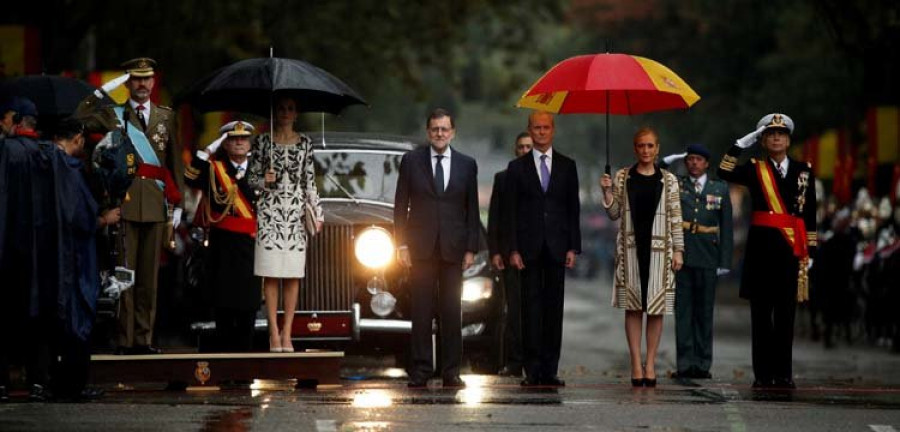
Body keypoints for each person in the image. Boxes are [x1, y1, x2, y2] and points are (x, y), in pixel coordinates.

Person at [78, 58, 184, 355]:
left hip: (154, 205)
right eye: (136, 79)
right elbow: (81, 116)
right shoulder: (113, 115)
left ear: (153, 82)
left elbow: (175, 163)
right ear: (128, 83)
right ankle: (124, 339)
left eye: (147, 78)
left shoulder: (166, 117)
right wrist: (104, 90)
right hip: (123, 204)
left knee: (149, 280)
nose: (142, 84)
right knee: (124, 275)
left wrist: (178, 207)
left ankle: (144, 338)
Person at [717, 113, 817, 389]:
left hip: (790, 249)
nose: (776, 138)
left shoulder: (803, 170)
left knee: (786, 316)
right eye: (770, 135)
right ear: (762, 140)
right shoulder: (754, 167)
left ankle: (783, 374)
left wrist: (810, 251)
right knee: (761, 316)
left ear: (788, 140)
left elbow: (810, 212)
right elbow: (723, 172)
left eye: (781, 135)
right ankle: (762, 375)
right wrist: (739, 145)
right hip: (761, 250)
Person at [394, 108, 479, 388]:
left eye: (444, 129)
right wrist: (401, 243)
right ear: (428, 132)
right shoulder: (411, 161)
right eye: (435, 129)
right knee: (420, 310)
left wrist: (471, 249)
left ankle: (451, 371)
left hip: (454, 248)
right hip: (420, 247)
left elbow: (472, 210)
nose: (440, 134)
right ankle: (420, 370)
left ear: (453, 132)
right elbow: (400, 204)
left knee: (452, 310)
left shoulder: (467, 165)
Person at [601, 127, 684, 388]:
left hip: (661, 250)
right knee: (634, 307)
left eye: (650, 146)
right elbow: (614, 214)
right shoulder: (623, 176)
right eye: (641, 146)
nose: (645, 151)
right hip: (631, 250)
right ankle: (636, 364)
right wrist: (606, 192)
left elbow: (675, 216)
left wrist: (679, 250)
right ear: (635, 148)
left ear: (657, 149)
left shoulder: (669, 180)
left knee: (656, 310)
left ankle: (651, 364)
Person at [504, 111, 581, 387]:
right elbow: (510, 212)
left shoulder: (568, 166)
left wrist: (574, 246)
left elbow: (573, 208)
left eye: (546, 127)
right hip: (528, 248)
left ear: (553, 130)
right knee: (531, 309)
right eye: (536, 128)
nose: (541, 132)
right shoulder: (517, 168)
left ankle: (550, 369)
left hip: (558, 246)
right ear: (529, 129)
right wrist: (513, 249)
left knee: (553, 309)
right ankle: (532, 369)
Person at [51, 117, 121, 400]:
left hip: (51, 253)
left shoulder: (42, 161)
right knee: (77, 317)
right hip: (75, 255)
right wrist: (103, 219)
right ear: (78, 138)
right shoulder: (68, 168)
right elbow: (78, 218)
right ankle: (72, 387)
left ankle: (54, 383)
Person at [248, 96, 324, 353]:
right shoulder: (261, 142)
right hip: (269, 212)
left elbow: (310, 181)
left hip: (295, 215)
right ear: (274, 112)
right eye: (281, 108)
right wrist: (264, 181)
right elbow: (250, 179)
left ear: (296, 114)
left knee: (293, 275)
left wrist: (318, 212)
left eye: (290, 108)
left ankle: (287, 333)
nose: (285, 112)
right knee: (270, 273)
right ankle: (272, 332)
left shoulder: (305, 144)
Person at [0, 98, 61, 401]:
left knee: (6, 313)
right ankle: (39, 381)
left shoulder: (6, 151)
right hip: (45, 251)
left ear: (18, 122)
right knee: (40, 316)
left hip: (11, 246)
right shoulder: (50, 154)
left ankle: (2, 383)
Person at [185, 121, 261, 352]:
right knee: (224, 309)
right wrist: (207, 151)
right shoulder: (213, 168)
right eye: (232, 138)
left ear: (250, 143)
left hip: (251, 246)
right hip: (222, 249)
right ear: (224, 144)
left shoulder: (261, 169)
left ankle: (243, 370)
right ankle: (225, 368)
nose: (239, 142)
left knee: (248, 310)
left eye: (244, 138)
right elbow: (190, 177)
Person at [661, 144, 733, 380]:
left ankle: (702, 363)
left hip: (708, 255)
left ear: (707, 164)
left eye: (698, 160)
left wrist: (724, 260)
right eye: (690, 159)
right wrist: (667, 160)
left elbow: (727, 227)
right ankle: (684, 363)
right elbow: (653, 172)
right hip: (682, 255)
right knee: (683, 311)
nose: (693, 163)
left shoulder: (719, 188)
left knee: (704, 312)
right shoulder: (676, 184)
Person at [487, 131, 532, 377]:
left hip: (536, 255)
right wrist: (495, 251)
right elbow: (495, 217)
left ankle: (534, 362)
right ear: (515, 150)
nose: (525, 151)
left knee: (534, 310)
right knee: (513, 310)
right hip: (508, 256)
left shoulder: (542, 179)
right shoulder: (502, 179)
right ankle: (514, 362)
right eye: (521, 147)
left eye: (529, 147)